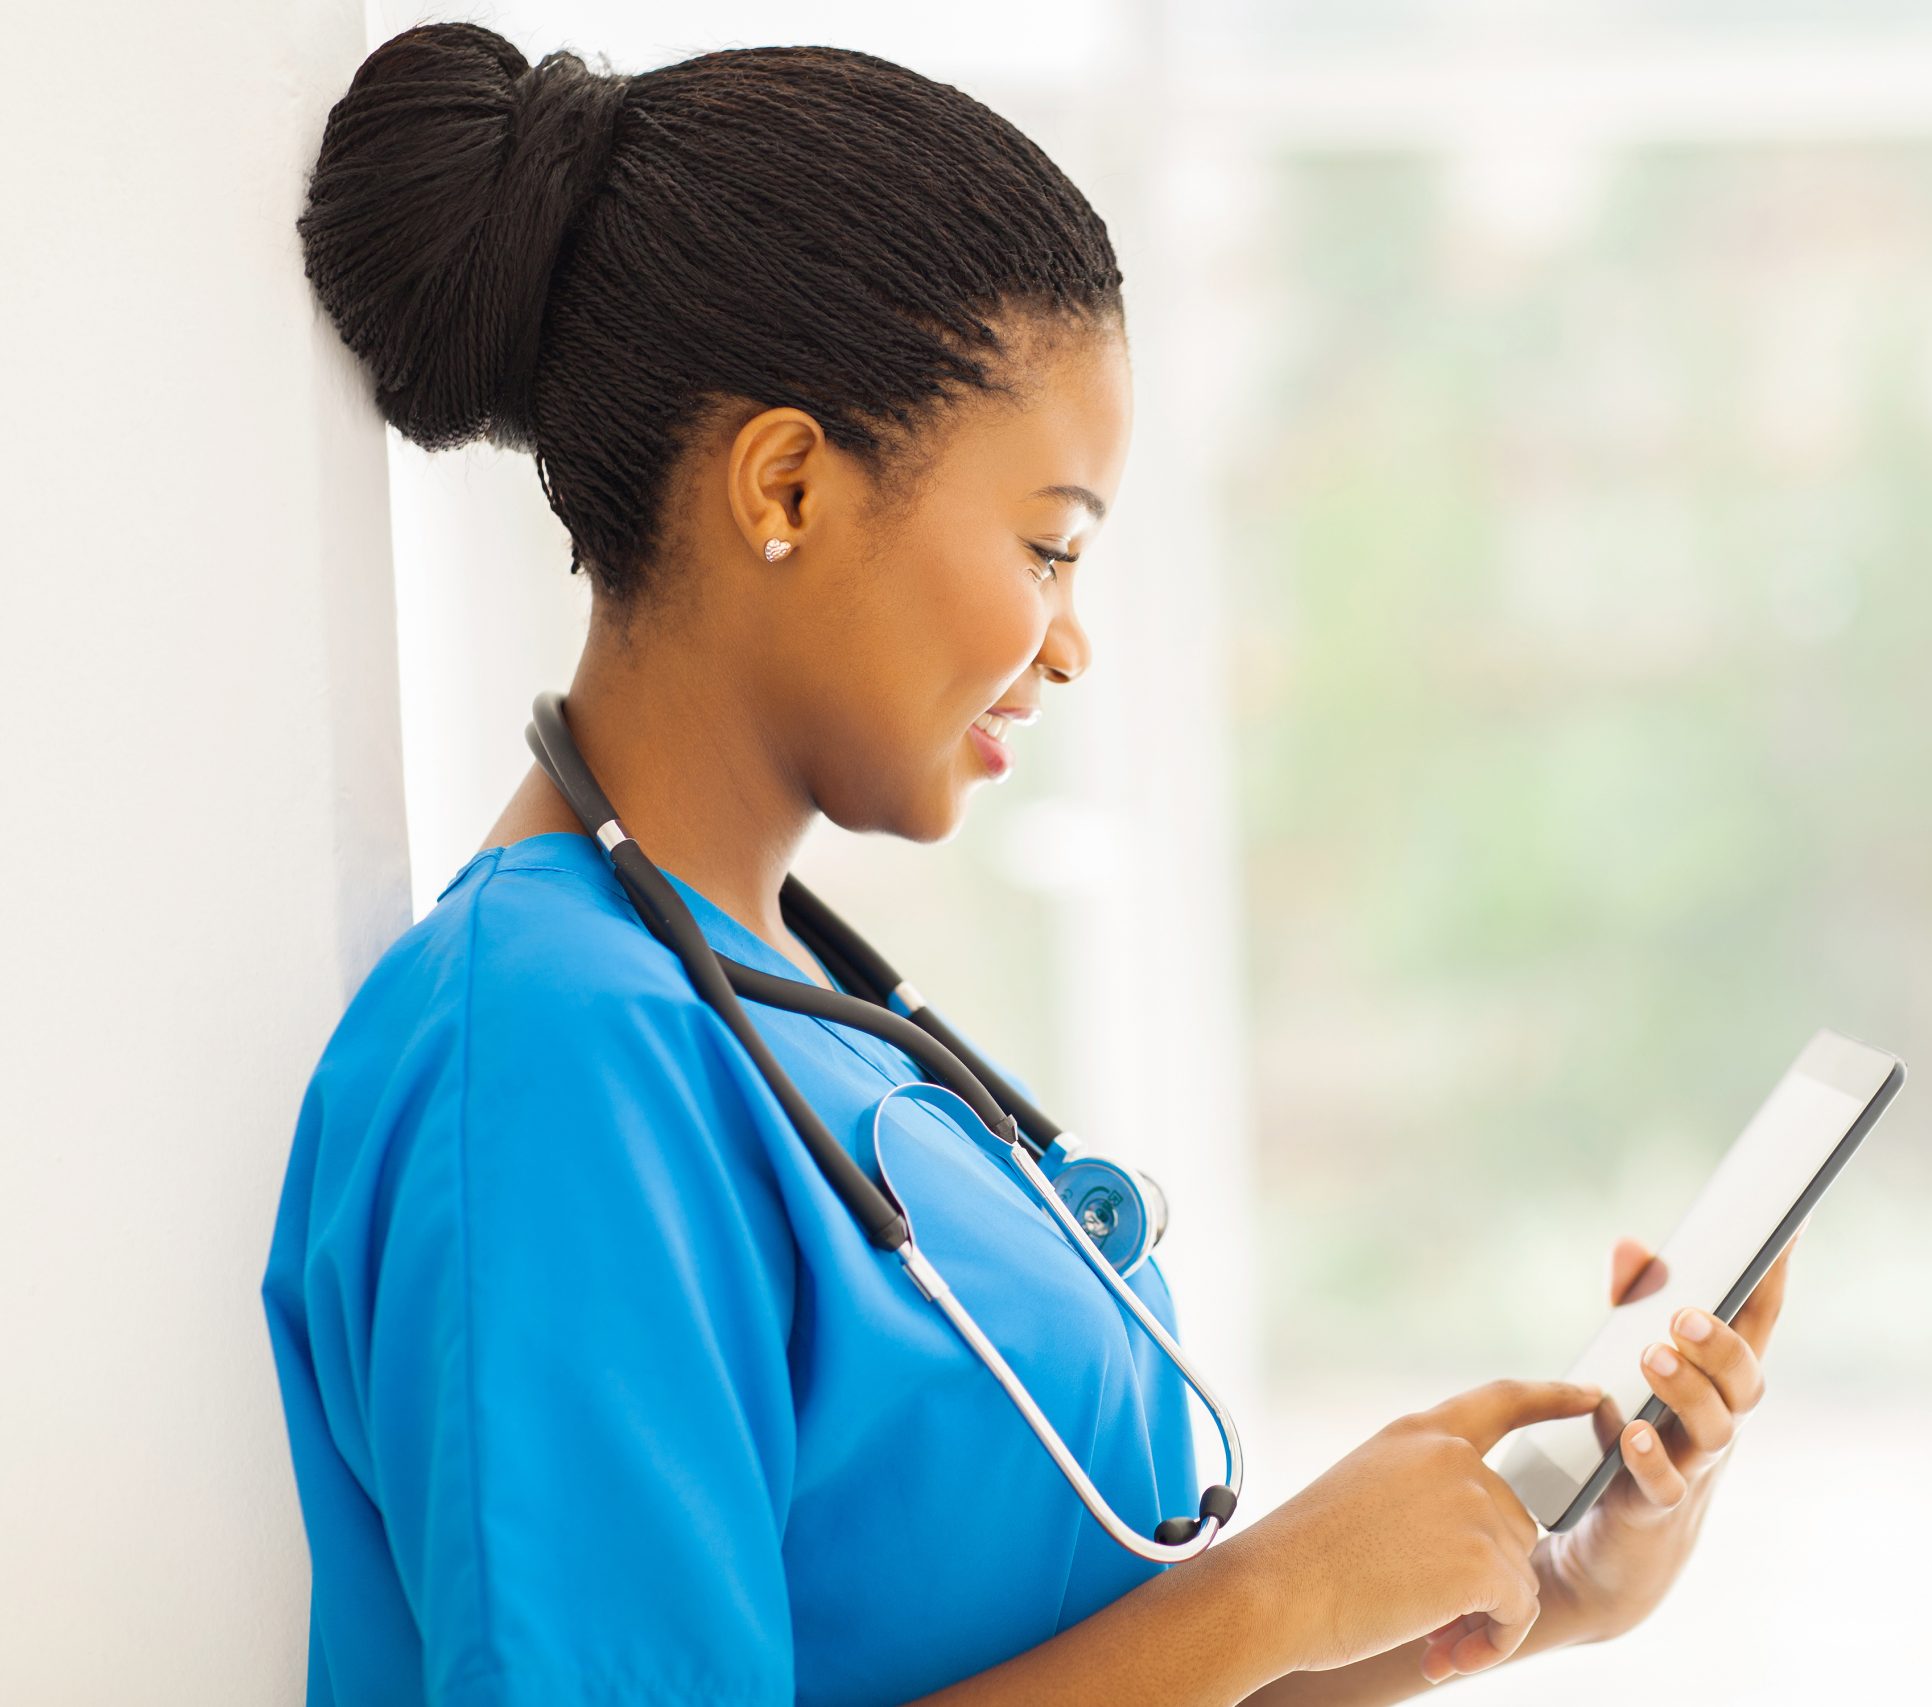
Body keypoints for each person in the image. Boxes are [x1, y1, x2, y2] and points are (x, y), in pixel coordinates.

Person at [260, 22, 1793, 1707]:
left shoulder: (794, 1011)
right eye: (1049, 546)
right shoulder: (549, 1056)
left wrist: (1531, 1589)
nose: (1070, 648)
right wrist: (1266, 1597)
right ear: (784, 483)